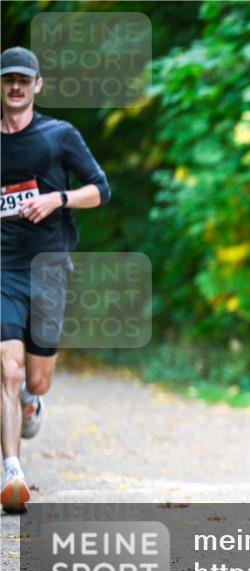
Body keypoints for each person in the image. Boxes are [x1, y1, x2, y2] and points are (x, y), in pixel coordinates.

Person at [1, 47, 111, 512]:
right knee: (8, 368)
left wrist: (57, 199)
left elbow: (100, 190)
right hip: (2, 269)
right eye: (8, 80)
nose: (16, 87)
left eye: (24, 80)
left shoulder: (58, 135)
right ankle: (12, 472)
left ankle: (32, 399)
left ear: (38, 85)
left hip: (48, 267)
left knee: (38, 379)